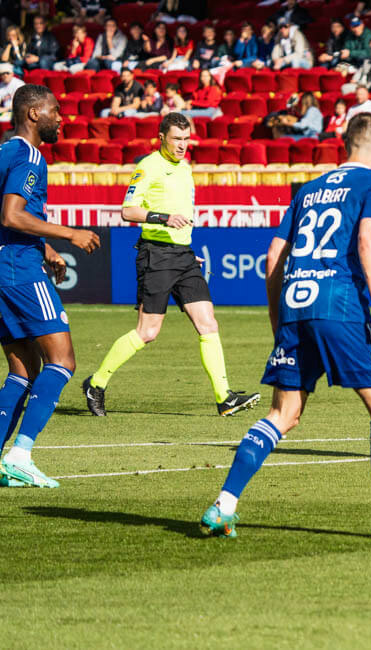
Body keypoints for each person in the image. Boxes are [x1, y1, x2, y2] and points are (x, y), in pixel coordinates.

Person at [198, 112, 371, 540]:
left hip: (296, 303)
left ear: (345, 146)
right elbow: (368, 238)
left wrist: (278, 319)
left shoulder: (308, 189)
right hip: (342, 304)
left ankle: (224, 505)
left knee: (283, 413)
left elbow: (274, 257)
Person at [83, 112, 259, 420]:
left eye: (186, 139)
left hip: (184, 256)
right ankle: (96, 384)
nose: (182, 145)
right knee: (148, 332)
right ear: (161, 137)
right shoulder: (148, 166)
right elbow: (128, 211)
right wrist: (164, 219)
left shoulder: (186, 168)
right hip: (157, 255)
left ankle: (225, 398)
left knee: (208, 324)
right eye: (177, 139)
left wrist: (185, 249)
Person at [0, 85, 101, 488]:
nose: (61, 118)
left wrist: (45, 247)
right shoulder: (29, 156)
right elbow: (11, 215)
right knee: (63, 361)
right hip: (18, 269)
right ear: (33, 114)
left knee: (23, 370)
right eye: (55, 110)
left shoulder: (4, 152)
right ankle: (21, 453)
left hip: (7, 266)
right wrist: (69, 234)